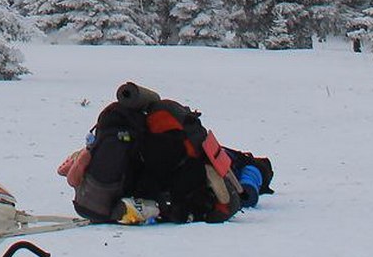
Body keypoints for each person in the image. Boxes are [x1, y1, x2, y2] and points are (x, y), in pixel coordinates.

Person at [57, 81, 273, 225]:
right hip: (162, 185)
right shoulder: (233, 159)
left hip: (135, 181)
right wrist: (248, 191)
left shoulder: (132, 130)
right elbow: (243, 193)